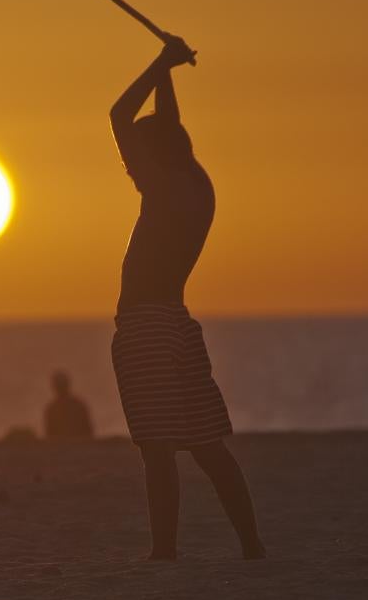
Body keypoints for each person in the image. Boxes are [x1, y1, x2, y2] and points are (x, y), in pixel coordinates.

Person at [109, 37, 266, 560]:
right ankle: (251, 546)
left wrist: (158, 61)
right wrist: (168, 66)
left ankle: (164, 553)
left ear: (151, 155)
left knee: (157, 449)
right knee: (205, 444)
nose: (130, 170)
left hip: (146, 326)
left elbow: (117, 115)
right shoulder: (198, 184)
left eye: (136, 160)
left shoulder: (159, 187)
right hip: (177, 323)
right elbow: (167, 124)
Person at [43, 370, 94, 440]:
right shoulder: (52, 409)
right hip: (74, 446)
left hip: (75, 446)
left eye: (61, 385)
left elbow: (88, 431)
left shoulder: (52, 409)